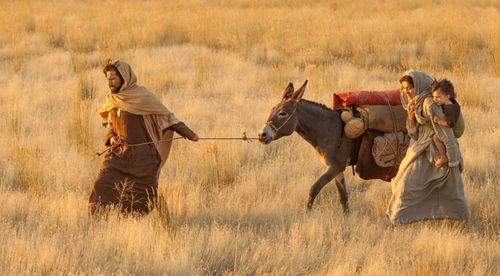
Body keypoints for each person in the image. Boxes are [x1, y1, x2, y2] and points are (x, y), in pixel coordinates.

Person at [89, 59, 199, 216]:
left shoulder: (143, 97)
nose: (110, 83)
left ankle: (139, 221)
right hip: (118, 155)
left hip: (143, 157)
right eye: (108, 79)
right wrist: (112, 139)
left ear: (124, 78)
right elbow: (110, 127)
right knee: (102, 184)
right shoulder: (113, 100)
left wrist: (191, 134)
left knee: (142, 195)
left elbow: (169, 119)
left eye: (113, 79)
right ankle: (99, 221)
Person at [386, 69, 469, 225]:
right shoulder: (415, 103)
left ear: (418, 85)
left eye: (409, 87)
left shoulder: (429, 104)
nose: (406, 91)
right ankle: (399, 220)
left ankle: (459, 220)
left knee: (449, 190)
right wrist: (411, 117)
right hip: (420, 147)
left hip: (437, 150)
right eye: (403, 88)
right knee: (404, 184)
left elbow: (445, 133)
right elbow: (414, 134)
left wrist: (452, 159)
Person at [431, 79, 461, 167]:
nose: (435, 99)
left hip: (454, 129)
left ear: (447, 97)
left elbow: (450, 124)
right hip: (453, 125)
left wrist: (439, 121)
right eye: (433, 97)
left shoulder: (449, 109)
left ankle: (444, 157)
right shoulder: (450, 102)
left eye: (438, 97)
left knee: (436, 138)